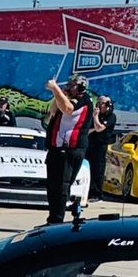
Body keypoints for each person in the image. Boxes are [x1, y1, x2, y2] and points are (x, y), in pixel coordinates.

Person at [43, 75, 94, 223]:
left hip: (70, 150)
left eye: (72, 85)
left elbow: (67, 108)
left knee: (61, 186)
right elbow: (52, 111)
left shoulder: (82, 100)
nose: (68, 87)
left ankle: (57, 219)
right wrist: (59, 93)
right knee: (52, 185)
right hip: (56, 149)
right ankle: (52, 217)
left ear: (81, 88)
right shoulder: (65, 98)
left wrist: (55, 88)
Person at [83, 95, 115, 198]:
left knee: (98, 169)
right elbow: (87, 129)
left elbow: (99, 128)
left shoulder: (110, 116)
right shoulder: (92, 114)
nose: (99, 105)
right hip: (89, 144)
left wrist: (96, 117)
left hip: (100, 145)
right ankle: (86, 190)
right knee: (87, 167)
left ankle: (96, 193)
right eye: (98, 103)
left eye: (101, 103)